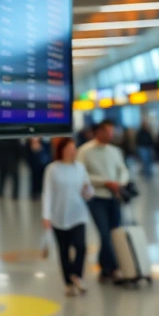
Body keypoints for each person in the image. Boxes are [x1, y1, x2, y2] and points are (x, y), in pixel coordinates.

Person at [78, 120, 129, 282]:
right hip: (96, 198)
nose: (111, 135)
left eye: (112, 131)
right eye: (107, 131)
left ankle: (105, 267)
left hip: (114, 196)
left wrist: (120, 183)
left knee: (114, 233)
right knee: (104, 233)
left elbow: (123, 169)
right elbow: (81, 175)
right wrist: (105, 182)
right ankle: (113, 268)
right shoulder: (85, 151)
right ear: (98, 132)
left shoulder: (115, 151)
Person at [42, 137, 94, 296]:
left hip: (78, 214)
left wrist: (88, 190)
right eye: (69, 148)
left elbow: (89, 192)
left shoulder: (80, 168)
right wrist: (46, 215)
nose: (73, 151)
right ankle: (68, 283)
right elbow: (48, 193)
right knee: (63, 251)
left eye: (74, 148)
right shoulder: (52, 169)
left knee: (81, 247)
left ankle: (77, 275)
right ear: (62, 151)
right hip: (59, 216)